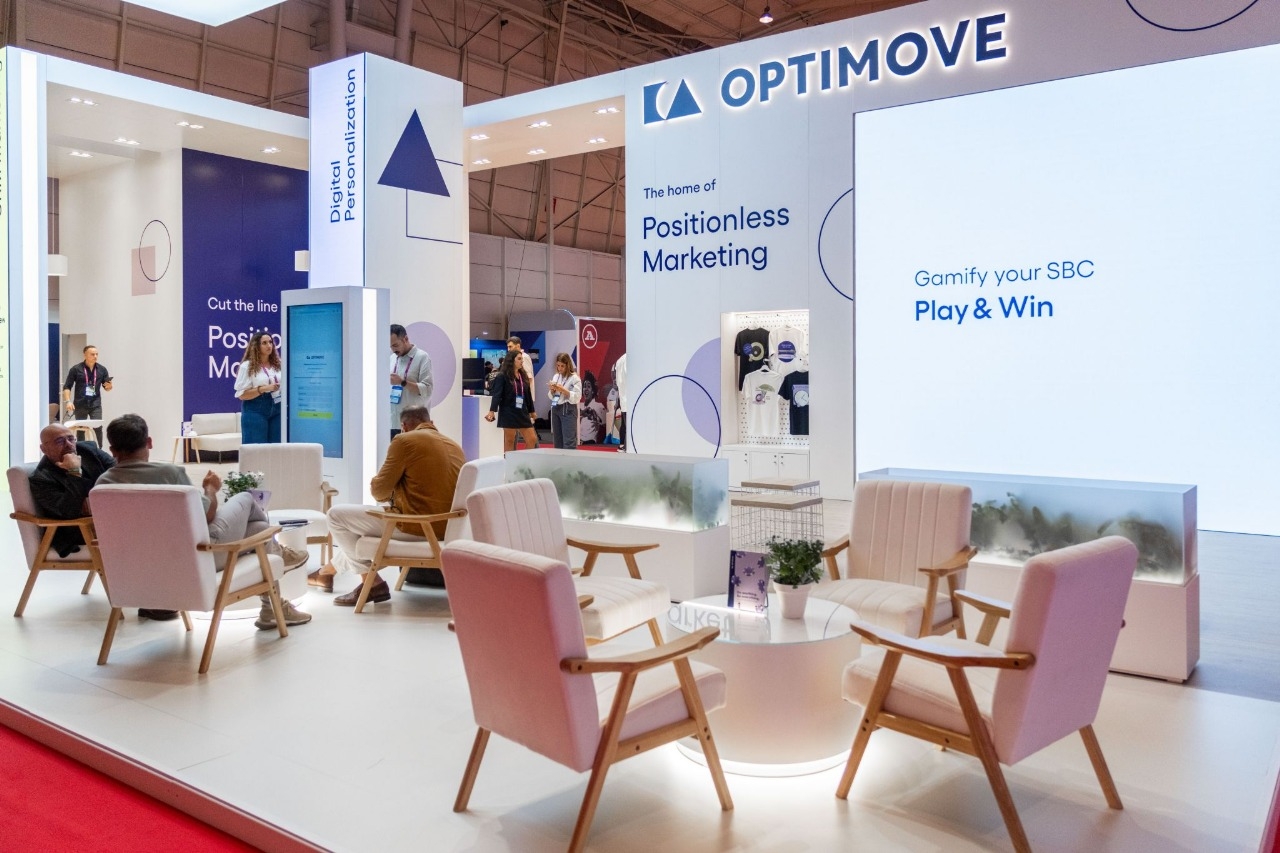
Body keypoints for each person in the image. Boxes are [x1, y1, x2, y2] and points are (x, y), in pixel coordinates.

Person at [93, 414, 311, 630]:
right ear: (149, 442)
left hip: (140, 572)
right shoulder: (169, 474)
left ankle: (272, 608)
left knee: (259, 530)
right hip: (197, 561)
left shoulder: (103, 485)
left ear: (112, 449)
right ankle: (279, 555)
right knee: (246, 499)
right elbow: (206, 515)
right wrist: (210, 489)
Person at [309, 406, 464, 605]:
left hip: (417, 526)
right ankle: (326, 572)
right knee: (357, 536)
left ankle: (372, 583)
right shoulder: (454, 445)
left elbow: (379, 492)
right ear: (431, 423)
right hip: (449, 528)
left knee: (336, 516)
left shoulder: (404, 441)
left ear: (403, 426)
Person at [29, 424, 115, 559]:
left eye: (71, 439)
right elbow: (69, 511)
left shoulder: (88, 450)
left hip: (108, 517)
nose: (69, 445)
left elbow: (117, 472)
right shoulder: (41, 478)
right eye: (60, 441)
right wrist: (74, 472)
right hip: (80, 530)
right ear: (44, 449)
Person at [233, 331, 282, 444]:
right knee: (256, 448)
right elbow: (242, 395)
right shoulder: (247, 366)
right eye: (264, 343)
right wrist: (263, 389)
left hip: (278, 407)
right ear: (256, 346)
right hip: (255, 408)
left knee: (277, 447)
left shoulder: (279, 364)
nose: (269, 345)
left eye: (270, 342)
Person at [485, 352, 539, 452]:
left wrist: (532, 411)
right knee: (510, 440)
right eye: (519, 359)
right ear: (511, 360)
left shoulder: (523, 375)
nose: (522, 361)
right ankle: (509, 461)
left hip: (522, 411)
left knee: (532, 439)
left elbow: (528, 395)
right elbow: (497, 395)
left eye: (522, 359)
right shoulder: (502, 376)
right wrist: (492, 411)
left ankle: (524, 461)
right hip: (508, 411)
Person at [62, 345, 113, 444]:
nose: (95, 356)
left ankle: (99, 448)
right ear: (85, 355)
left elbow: (107, 388)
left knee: (98, 427)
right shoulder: (76, 369)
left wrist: (109, 386)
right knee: (81, 428)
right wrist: (68, 401)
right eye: (92, 354)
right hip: (80, 403)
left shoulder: (102, 369)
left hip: (95, 403)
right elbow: (67, 386)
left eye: (97, 354)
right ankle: (81, 449)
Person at [390, 324, 434, 440]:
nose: (393, 349)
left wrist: (402, 382)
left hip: (414, 424)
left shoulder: (422, 357)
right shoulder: (392, 358)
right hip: (393, 422)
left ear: (405, 339)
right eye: (390, 346)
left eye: (395, 345)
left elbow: (427, 389)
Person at [547, 353, 582, 450]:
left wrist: (563, 390)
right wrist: (552, 390)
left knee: (569, 442)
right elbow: (551, 396)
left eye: (562, 366)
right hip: (555, 408)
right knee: (557, 441)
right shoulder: (556, 376)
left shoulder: (575, 378)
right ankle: (559, 460)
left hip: (568, 409)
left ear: (568, 365)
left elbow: (577, 397)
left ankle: (569, 460)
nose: (560, 368)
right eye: (558, 365)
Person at [578, 370, 606, 445]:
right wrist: (581, 413)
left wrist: (596, 419)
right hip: (577, 441)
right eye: (584, 386)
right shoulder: (579, 405)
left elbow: (605, 424)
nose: (586, 389)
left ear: (593, 390)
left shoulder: (599, 406)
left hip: (590, 442)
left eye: (588, 386)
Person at [506, 336, 536, 403]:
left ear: (518, 346)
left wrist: (526, 395)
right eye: (508, 347)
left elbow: (528, 378)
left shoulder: (524, 357)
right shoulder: (512, 358)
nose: (508, 349)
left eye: (510, 347)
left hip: (524, 396)